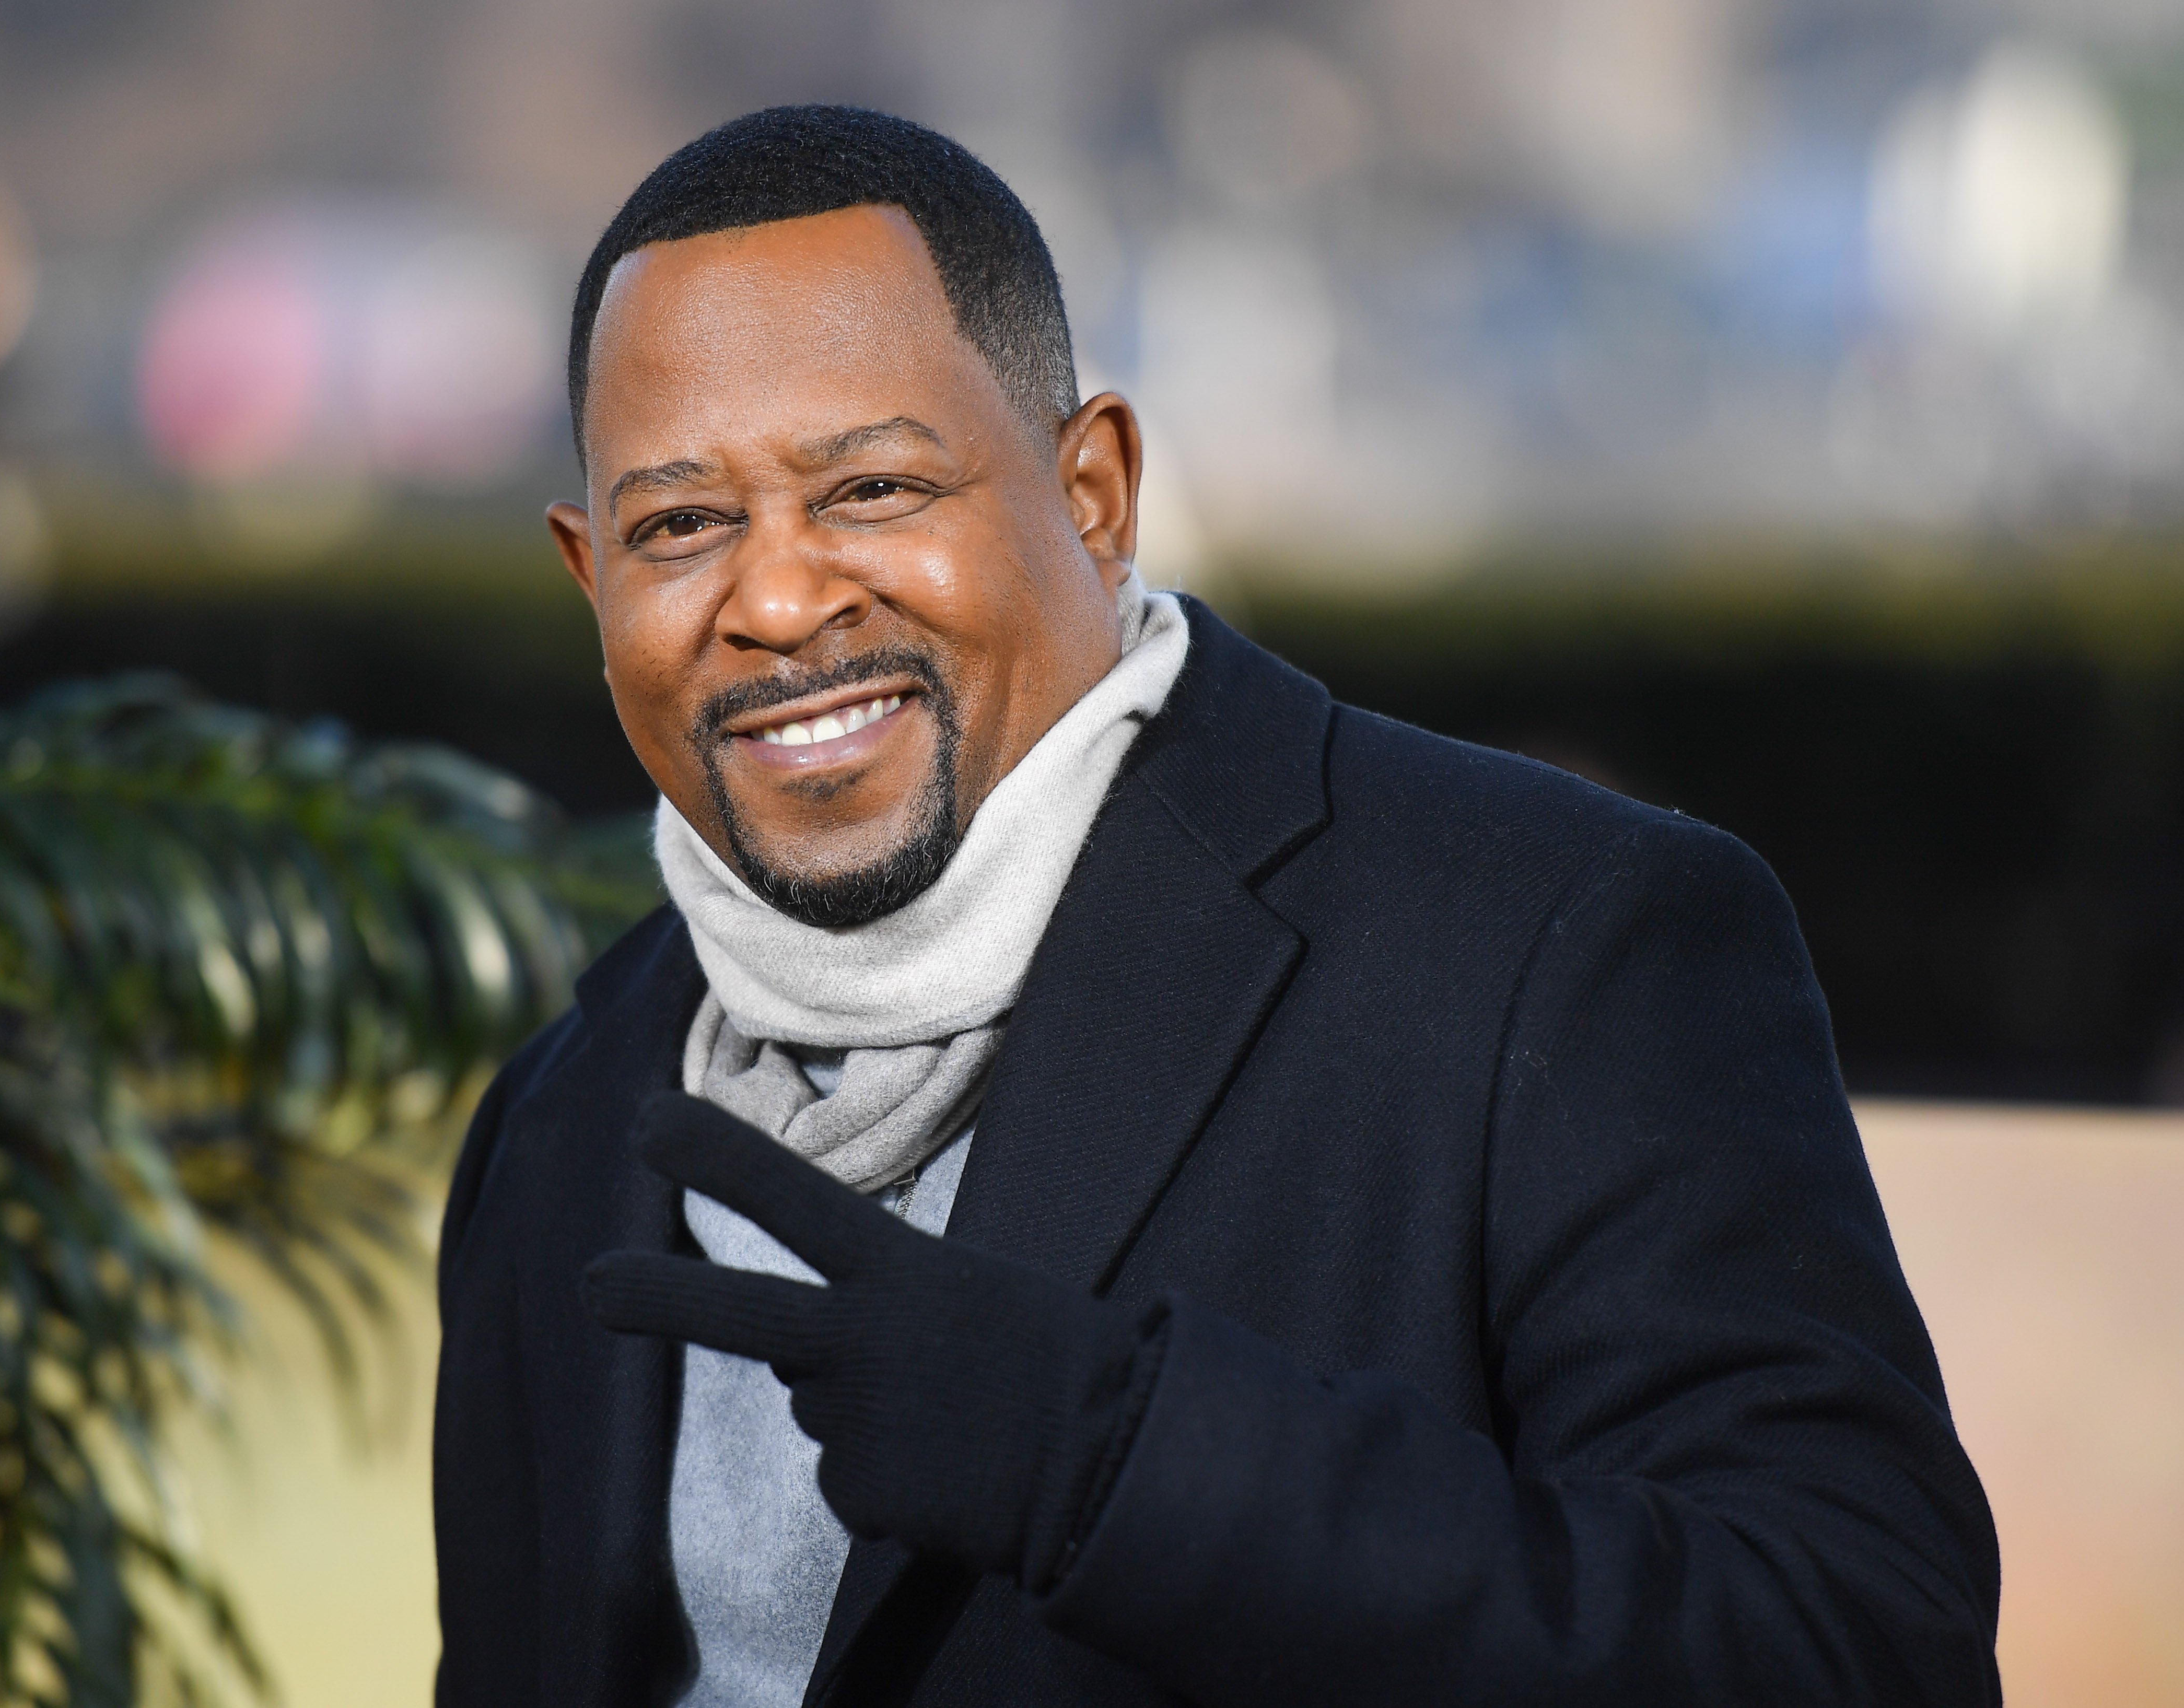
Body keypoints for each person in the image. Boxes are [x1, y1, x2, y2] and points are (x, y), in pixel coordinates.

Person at [432, 105, 2000, 1707]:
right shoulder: (564, 1119)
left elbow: (1859, 1648)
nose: (773, 598)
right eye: (679, 525)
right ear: (588, 578)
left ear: (1094, 492)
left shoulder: (1558, 938)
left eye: (875, 489)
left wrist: (1119, 1465)